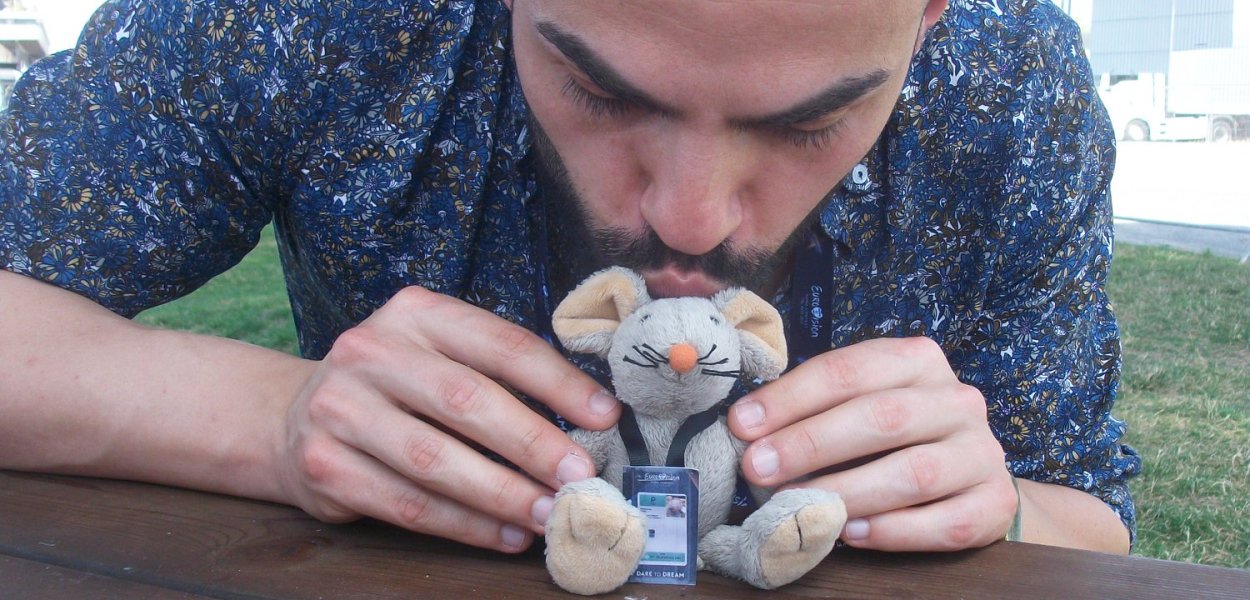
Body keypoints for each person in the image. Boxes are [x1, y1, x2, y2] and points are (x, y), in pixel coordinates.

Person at [0, 0, 1139, 558]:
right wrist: (275, 422)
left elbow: (1089, 525)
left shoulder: (1007, 84)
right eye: (599, 90)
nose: (689, 214)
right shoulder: (322, 17)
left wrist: (993, 507)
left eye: (809, 123)